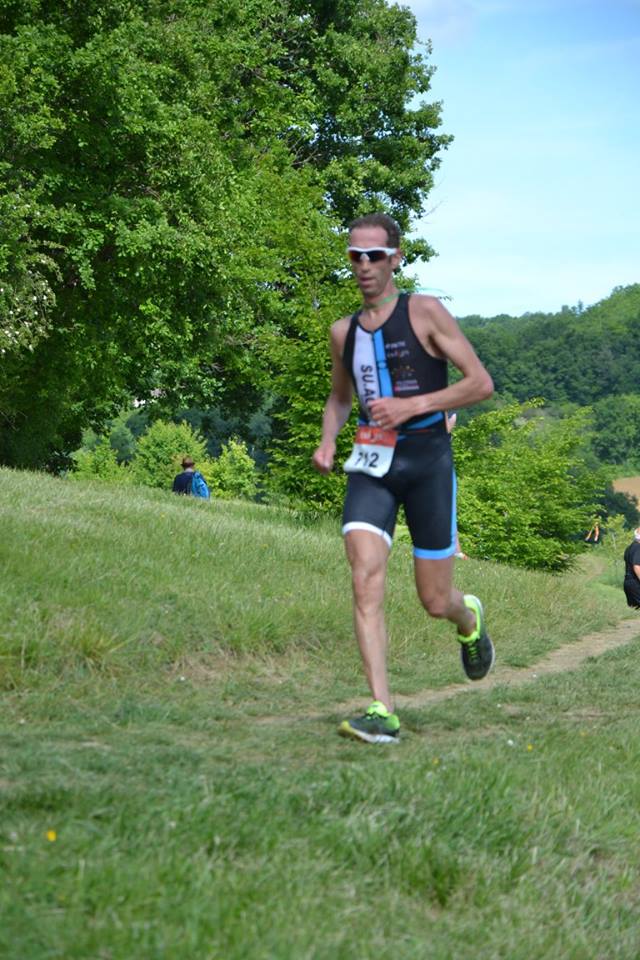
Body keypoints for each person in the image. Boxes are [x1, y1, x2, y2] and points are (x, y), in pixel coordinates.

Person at [312, 212, 495, 744]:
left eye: (375, 255)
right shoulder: (343, 332)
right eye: (355, 256)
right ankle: (382, 710)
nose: (364, 265)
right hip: (372, 466)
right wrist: (328, 440)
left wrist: (414, 405)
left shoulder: (425, 312)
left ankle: (468, 618)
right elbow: (340, 398)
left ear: (395, 258)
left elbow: (480, 383)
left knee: (435, 601)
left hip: (428, 463)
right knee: (364, 577)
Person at [623, 528, 640, 609]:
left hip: (628, 582)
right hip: (636, 583)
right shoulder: (638, 548)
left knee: (635, 610)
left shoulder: (629, 548)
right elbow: (636, 566)